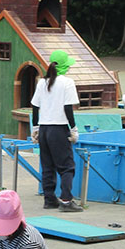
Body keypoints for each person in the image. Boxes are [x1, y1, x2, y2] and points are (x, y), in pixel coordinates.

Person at [30, 49, 82, 212]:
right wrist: (73, 129)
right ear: (65, 66)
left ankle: (49, 199)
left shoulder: (42, 82)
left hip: (44, 129)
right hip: (59, 129)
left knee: (47, 165)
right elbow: (68, 108)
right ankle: (66, 201)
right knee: (67, 166)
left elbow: (35, 106)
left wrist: (35, 128)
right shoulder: (67, 83)